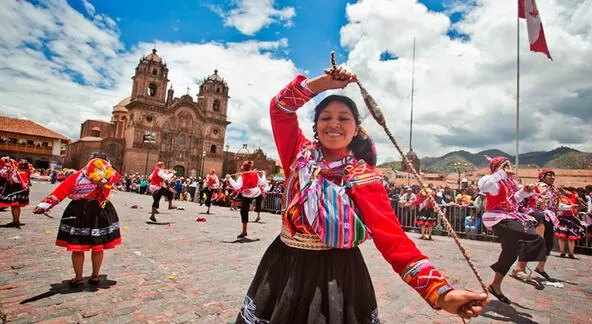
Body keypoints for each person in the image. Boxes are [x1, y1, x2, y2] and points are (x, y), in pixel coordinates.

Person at [235, 69, 487, 323]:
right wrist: (323, 84)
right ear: (316, 126)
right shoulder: (298, 155)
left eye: (344, 118)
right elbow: (280, 110)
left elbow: (394, 241)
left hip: (336, 274)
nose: (334, 123)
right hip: (283, 265)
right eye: (326, 118)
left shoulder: (364, 178)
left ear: (356, 129)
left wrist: (441, 294)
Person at [32, 153, 121, 286]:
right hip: (101, 210)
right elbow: (112, 183)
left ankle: (78, 277)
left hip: (81, 209)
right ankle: (95, 275)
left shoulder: (78, 176)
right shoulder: (109, 177)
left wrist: (44, 205)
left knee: (78, 246)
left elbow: (61, 191)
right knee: (98, 246)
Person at [478, 156, 546, 304]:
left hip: (509, 216)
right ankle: (520, 269)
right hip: (498, 218)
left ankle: (495, 285)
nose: (508, 169)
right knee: (531, 235)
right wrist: (500, 173)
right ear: (497, 168)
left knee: (510, 252)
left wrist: (523, 192)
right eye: (505, 166)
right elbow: (482, 186)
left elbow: (512, 201)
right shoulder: (492, 181)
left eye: (509, 166)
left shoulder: (508, 184)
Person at [226, 161, 268, 238]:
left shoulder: (242, 176)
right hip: (256, 192)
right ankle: (244, 231)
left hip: (247, 193)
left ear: (243, 167)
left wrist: (230, 178)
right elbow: (262, 182)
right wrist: (264, 174)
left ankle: (244, 231)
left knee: (244, 211)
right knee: (244, 210)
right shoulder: (255, 174)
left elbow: (237, 186)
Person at [0, 157, 32, 227]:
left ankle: (16, 221)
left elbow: (18, 181)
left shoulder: (21, 172)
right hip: (17, 190)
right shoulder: (20, 171)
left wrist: (10, 178)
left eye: (19, 163)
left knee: (15, 206)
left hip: (17, 190)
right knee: (15, 206)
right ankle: (16, 220)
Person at [554, 188, 584, 259]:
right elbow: (559, 207)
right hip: (563, 218)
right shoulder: (559, 198)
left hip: (571, 219)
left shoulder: (572, 197)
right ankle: (562, 252)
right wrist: (570, 206)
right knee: (561, 236)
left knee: (571, 237)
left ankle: (571, 253)